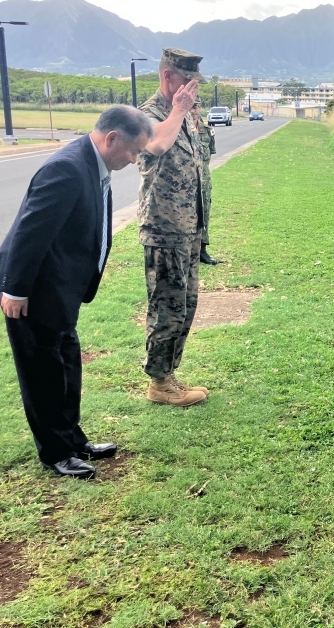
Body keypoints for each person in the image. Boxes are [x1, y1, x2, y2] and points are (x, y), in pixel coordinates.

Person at [0, 106, 153, 479]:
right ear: (112, 139)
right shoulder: (68, 168)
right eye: (134, 151)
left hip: (60, 290)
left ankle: (73, 439)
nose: (135, 159)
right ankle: (56, 452)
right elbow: (31, 233)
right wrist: (15, 289)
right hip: (32, 292)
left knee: (66, 366)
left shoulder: (93, 165)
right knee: (42, 373)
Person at [137, 48, 210, 407]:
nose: (193, 90)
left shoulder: (189, 117)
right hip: (164, 230)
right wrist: (180, 109)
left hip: (190, 229)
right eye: (187, 82)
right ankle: (159, 383)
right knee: (166, 308)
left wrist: (190, 113)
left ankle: (170, 376)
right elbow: (158, 144)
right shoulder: (148, 116)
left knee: (186, 306)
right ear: (168, 77)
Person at [192, 101, 220, 265]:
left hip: (204, 180)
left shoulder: (207, 131)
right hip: (186, 183)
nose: (193, 110)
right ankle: (189, 252)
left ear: (200, 108)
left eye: (196, 106)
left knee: (204, 215)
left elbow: (208, 158)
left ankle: (202, 250)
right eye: (190, 106)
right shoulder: (180, 131)